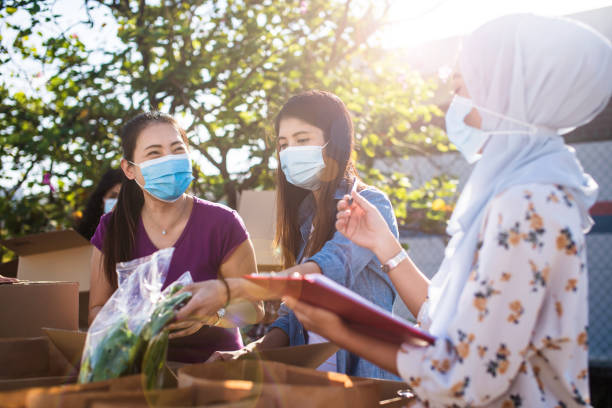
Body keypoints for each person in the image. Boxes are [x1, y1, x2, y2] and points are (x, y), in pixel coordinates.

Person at [284, 14, 612, 407]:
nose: (455, 104)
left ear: (507, 90)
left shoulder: (527, 202)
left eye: (463, 84)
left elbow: (467, 376)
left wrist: (341, 330)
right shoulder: (525, 190)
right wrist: (387, 247)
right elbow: (445, 319)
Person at [177, 90, 400, 379]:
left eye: (302, 140)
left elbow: (322, 275)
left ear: (335, 141)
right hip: (314, 385)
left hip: (365, 384)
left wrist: (231, 289)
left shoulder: (370, 205)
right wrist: (247, 353)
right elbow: (291, 317)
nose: (290, 152)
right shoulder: (305, 220)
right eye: (283, 144)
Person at [88, 111, 264, 363]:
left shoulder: (223, 223)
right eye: (154, 153)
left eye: (177, 149)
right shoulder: (113, 228)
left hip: (212, 369)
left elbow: (255, 311)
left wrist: (210, 316)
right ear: (129, 169)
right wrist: (137, 321)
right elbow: (96, 312)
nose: (168, 160)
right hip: (137, 369)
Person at [76, 168, 124, 240]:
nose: (117, 202)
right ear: (102, 200)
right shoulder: (82, 239)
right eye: (113, 196)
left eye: (123, 198)